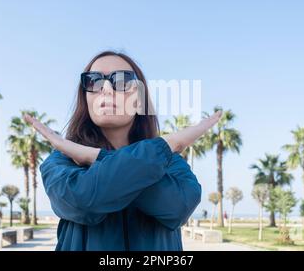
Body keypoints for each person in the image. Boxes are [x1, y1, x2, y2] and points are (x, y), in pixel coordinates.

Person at [25, 51, 222, 251]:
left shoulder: (171, 162)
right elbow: (83, 201)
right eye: (94, 81)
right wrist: (165, 146)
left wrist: (93, 157)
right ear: (85, 99)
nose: (106, 89)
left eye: (122, 80)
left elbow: (178, 208)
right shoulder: (62, 159)